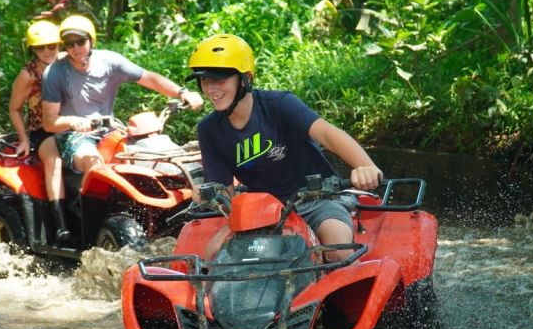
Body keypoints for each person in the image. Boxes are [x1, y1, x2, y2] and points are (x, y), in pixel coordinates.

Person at [187, 33, 383, 260]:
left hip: (318, 200)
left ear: (246, 78)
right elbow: (225, 196)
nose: (210, 89)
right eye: (204, 81)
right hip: (260, 211)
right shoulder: (208, 130)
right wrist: (208, 196)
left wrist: (366, 166)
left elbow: (328, 134)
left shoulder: (279, 105)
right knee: (212, 256)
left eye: (219, 80)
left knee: (338, 250)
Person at [40, 14, 203, 242]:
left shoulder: (109, 61)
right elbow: (49, 122)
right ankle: (90, 234)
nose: (76, 48)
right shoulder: (55, 73)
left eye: (81, 41)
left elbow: (149, 78)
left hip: (110, 131)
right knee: (93, 162)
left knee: (157, 158)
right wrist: (73, 121)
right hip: (74, 136)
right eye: (70, 44)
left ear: (91, 40)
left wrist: (182, 93)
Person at [7, 20, 70, 242]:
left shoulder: (69, 62)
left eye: (51, 46)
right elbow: (14, 109)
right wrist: (24, 139)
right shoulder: (29, 74)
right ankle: (61, 225)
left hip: (73, 124)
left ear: (59, 45)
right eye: (40, 47)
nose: (46, 52)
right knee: (54, 158)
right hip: (43, 131)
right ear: (32, 49)